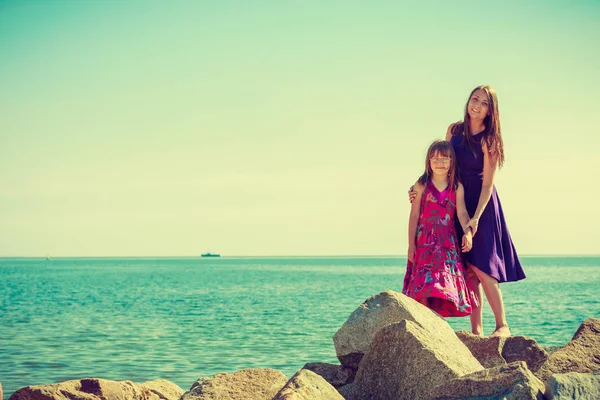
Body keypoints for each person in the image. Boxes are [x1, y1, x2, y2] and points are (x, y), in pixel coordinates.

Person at [409, 85, 526, 337]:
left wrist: (475, 218)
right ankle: (477, 331)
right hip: (457, 199)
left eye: (484, 103)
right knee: (468, 270)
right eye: (475, 99)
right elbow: (441, 166)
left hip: (482, 205)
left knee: (484, 267)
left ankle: (502, 325)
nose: (477, 105)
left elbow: (488, 184)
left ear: (490, 111)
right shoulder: (454, 131)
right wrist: (418, 187)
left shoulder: (489, 140)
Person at [403, 140, 478, 317]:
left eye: (445, 159)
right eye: (435, 159)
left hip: (447, 243)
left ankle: (437, 320)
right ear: (428, 161)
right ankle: (424, 320)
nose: (440, 163)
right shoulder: (421, 185)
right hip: (424, 243)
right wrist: (411, 245)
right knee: (424, 282)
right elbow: (414, 215)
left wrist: (468, 233)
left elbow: (462, 213)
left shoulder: (457, 186)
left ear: (452, 161)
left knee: (444, 284)